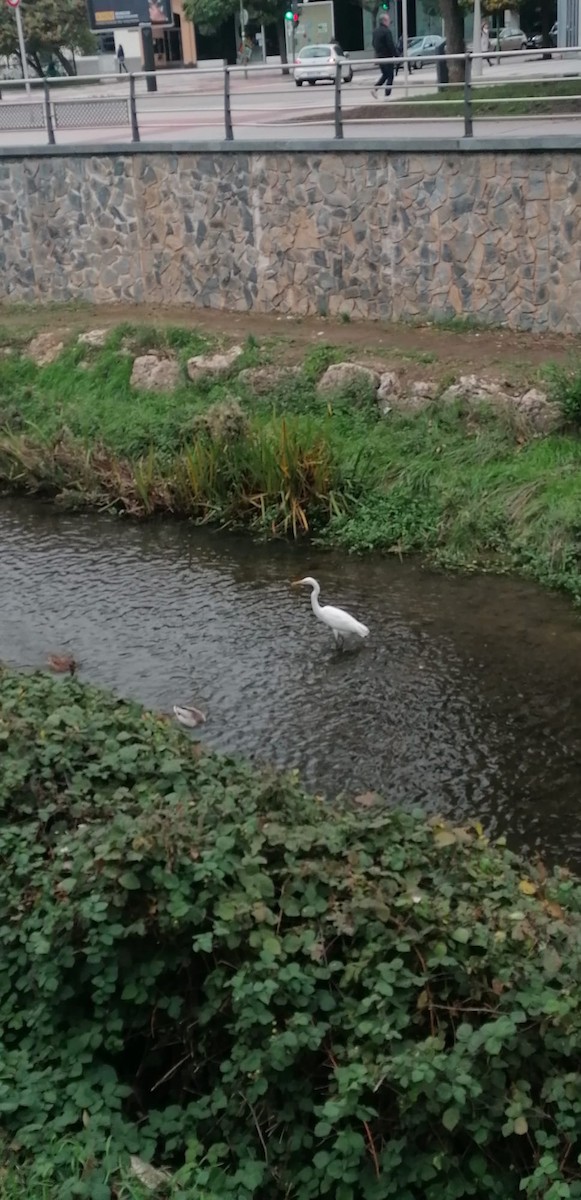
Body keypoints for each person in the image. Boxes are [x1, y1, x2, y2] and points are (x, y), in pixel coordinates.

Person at [371, 12, 397, 98]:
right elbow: (390, 44)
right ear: (384, 21)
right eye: (388, 20)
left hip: (379, 57)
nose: (389, 22)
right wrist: (396, 55)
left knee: (385, 74)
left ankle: (375, 88)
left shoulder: (375, 32)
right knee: (390, 76)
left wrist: (378, 52)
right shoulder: (387, 31)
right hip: (387, 57)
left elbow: (373, 43)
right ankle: (387, 95)